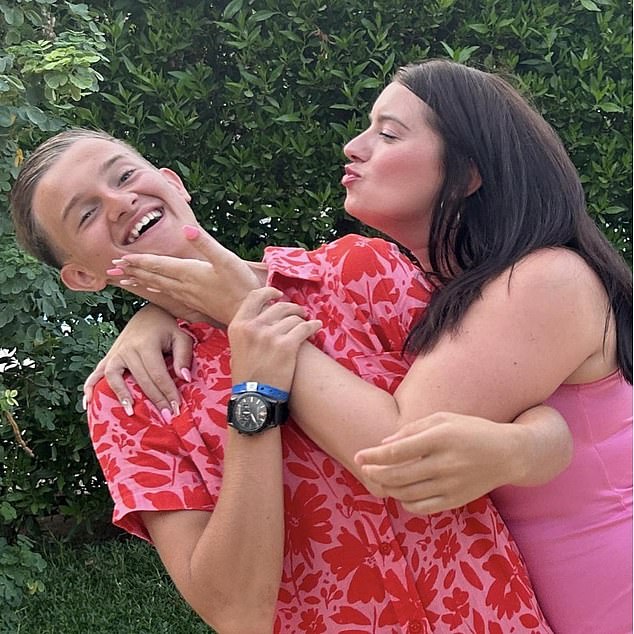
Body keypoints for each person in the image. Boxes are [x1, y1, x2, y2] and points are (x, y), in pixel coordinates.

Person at [87, 59, 632, 634]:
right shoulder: (448, 288)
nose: (353, 145)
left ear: (468, 170)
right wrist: (160, 310)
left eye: (388, 132)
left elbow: (400, 453)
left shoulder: (543, 279)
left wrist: (243, 318)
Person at [9, 129, 557, 632]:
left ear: (173, 184)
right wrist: (255, 395)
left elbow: (532, 411)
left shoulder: (358, 273)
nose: (120, 201)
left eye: (124, 175)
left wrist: (519, 448)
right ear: (83, 275)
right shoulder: (131, 399)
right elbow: (236, 611)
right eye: (85, 215)